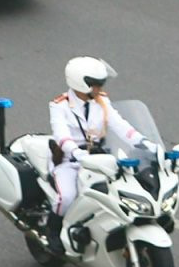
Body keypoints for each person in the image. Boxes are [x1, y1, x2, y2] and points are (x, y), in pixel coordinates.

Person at [48, 56, 149, 251]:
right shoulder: (59, 105)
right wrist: (76, 152)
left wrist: (142, 142)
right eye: (96, 84)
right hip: (70, 160)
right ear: (81, 83)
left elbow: (119, 125)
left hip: (99, 157)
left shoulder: (102, 101)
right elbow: (61, 135)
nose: (99, 88)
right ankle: (53, 231)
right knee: (67, 197)